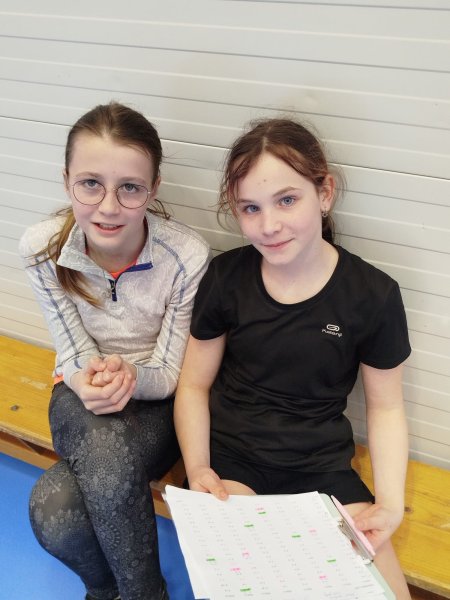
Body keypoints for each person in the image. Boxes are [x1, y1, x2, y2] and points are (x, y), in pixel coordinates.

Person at [174, 118, 412, 599]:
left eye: (287, 200)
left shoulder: (374, 295)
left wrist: (389, 503)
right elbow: (194, 385)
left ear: (324, 193)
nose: (269, 225)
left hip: (321, 466)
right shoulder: (226, 277)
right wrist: (198, 468)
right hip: (233, 462)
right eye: (251, 208)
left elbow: (386, 408)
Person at [20, 102, 210, 600]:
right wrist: (86, 377)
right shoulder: (41, 248)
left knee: (55, 505)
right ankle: (120, 592)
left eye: (129, 187)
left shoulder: (185, 255)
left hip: (157, 402)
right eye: (90, 183)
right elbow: (71, 347)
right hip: (78, 394)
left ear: (154, 188)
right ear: (66, 181)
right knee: (75, 494)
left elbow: (170, 371)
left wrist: (130, 375)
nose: (108, 207)